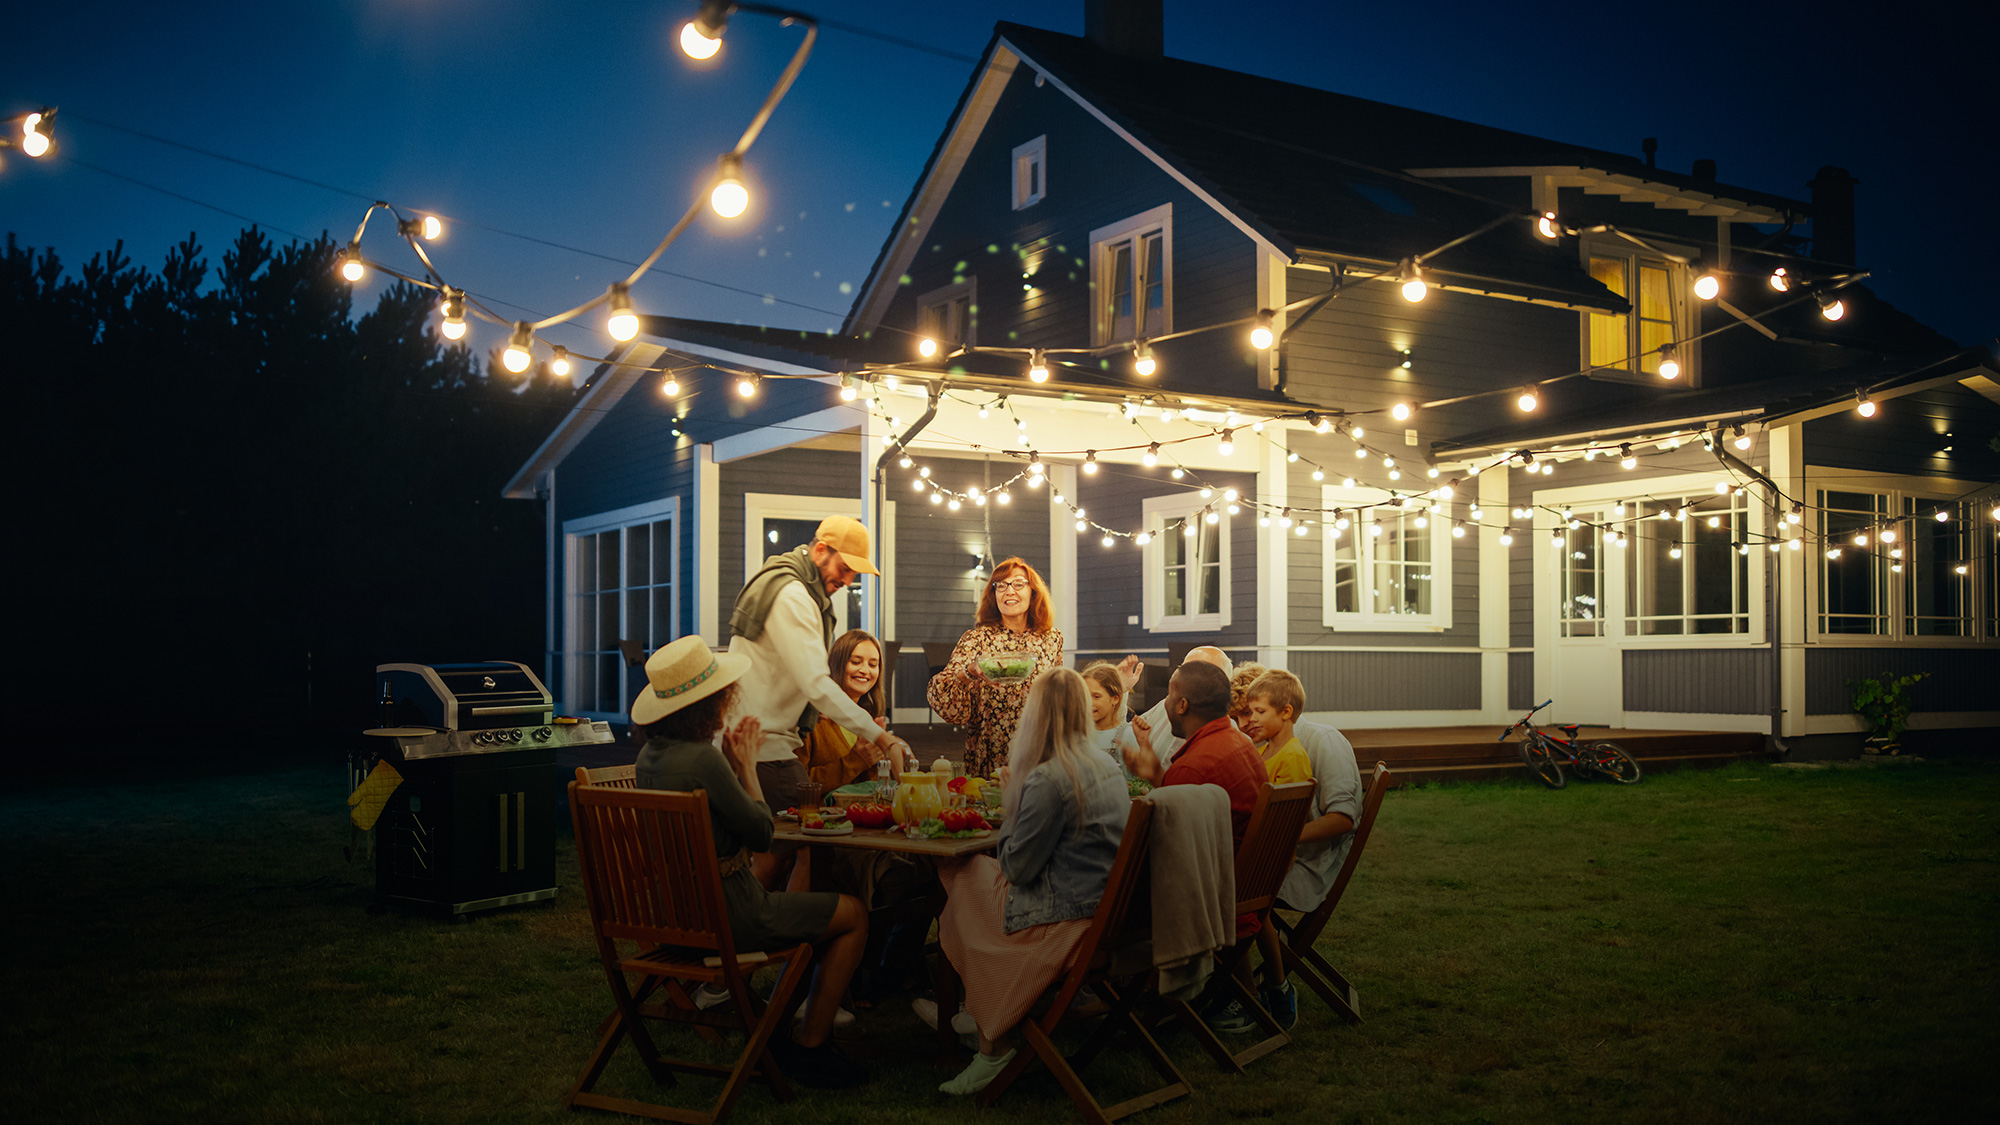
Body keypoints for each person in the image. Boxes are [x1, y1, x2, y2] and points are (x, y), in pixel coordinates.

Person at [628, 636, 872, 1089]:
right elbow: (764, 835)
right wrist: (745, 769)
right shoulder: (703, 759)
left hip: (671, 912)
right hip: (726, 914)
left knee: (812, 910)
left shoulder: (649, 757)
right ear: (711, 702)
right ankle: (809, 1046)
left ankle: (775, 1026)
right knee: (852, 913)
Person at [920, 668, 1130, 1095]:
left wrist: (1015, 800)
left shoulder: (1050, 778)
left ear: (1034, 715)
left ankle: (989, 1040)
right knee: (973, 875)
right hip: (1107, 913)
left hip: (1066, 917)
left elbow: (1016, 868)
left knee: (962, 878)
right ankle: (977, 1012)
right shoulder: (1104, 765)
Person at [729, 516, 913, 888]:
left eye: (852, 574)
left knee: (797, 851)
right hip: (764, 745)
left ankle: (779, 934)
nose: (847, 581)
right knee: (789, 851)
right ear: (820, 551)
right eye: (844, 568)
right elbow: (816, 683)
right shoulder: (793, 596)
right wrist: (883, 739)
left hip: (769, 741)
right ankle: (748, 930)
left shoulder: (799, 592)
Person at [1212, 668, 1355, 1034]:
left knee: (1225, 895)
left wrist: (1279, 839)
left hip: (1301, 864)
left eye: (1253, 713)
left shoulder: (1315, 743)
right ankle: (1239, 988)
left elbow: (1341, 818)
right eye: (1240, 716)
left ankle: (1248, 993)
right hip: (1267, 856)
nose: (1245, 724)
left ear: (1283, 710)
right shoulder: (1264, 745)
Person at [926, 557, 1065, 778]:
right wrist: (969, 672)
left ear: (1033, 592)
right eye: (1001, 585)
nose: (1009, 591)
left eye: (1018, 584)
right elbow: (942, 698)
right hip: (990, 751)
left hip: (1041, 749)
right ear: (994, 595)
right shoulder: (976, 639)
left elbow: (1058, 694)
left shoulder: (1051, 639)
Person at [798, 629, 905, 792]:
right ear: (837, 664)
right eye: (856, 662)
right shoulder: (814, 719)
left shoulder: (870, 720)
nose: (865, 670)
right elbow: (797, 784)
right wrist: (854, 761)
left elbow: (871, 787)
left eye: (873, 664)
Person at [1116, 645, 1235, 768]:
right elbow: (1122, 734)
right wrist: (1121, 690)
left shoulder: (1229, 740)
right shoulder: (1166, 706)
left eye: (1197, 672)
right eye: (1184, 669)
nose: (1185, 676)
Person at [1080, 661, 1135, 774]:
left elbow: (1136, 780)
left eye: (1096, 696)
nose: (1089, 702)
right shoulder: (1078, 734)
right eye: (1084, 695)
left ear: (1115, 699)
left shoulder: (1127, 734)